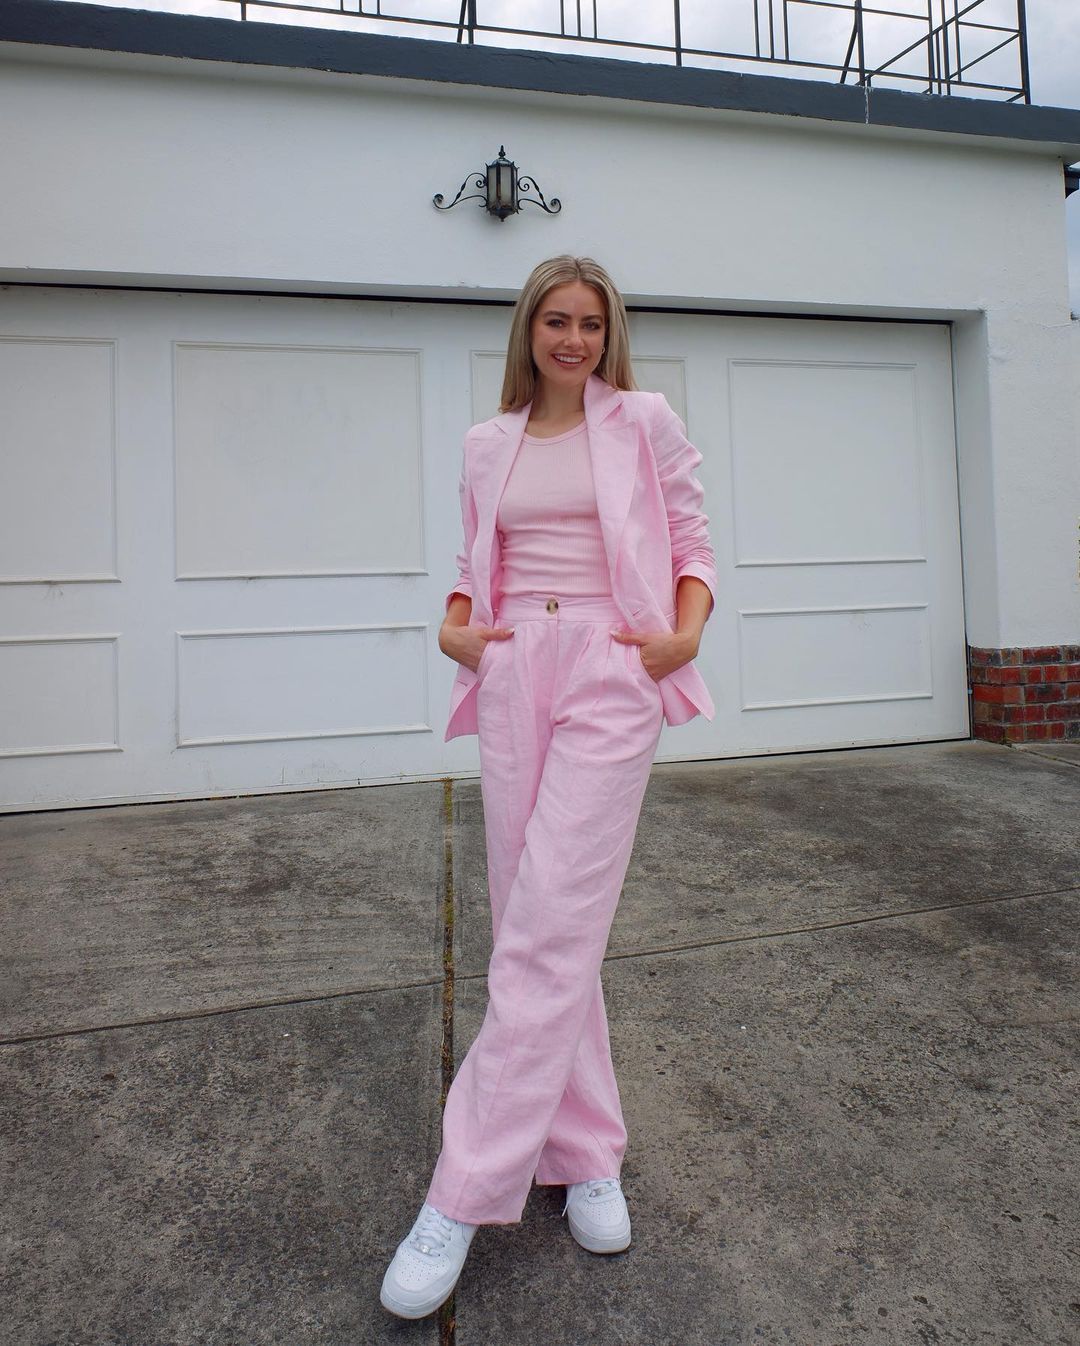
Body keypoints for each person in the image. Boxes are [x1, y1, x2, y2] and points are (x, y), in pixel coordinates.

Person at [380, 255, 718, 1319]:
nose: (574, 339)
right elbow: (473, 566)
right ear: (529, 330)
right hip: (515, 666)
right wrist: (454, 624)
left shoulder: (645, 421)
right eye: (556, 321)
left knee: (549, 922)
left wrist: (680, 638)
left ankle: (460, 1192)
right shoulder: (489, 442)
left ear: (610, 335)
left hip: (614, 667)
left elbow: (693, 542)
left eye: (591, 323)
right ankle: (587, 1151)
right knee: (538, 921)